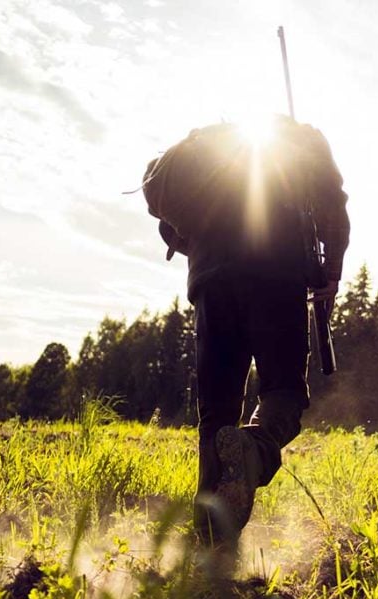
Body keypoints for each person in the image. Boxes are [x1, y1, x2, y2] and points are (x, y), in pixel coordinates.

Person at [142, 115, 349, 546]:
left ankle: (209, 544)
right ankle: (253, 450)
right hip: (276, 273)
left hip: (209, 285)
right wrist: (330, 272)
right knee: (284, 395)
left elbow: (169, 228)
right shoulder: (292, 148)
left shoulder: (199, 164)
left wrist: (207, 250)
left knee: (215, 416)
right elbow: (334, 205)